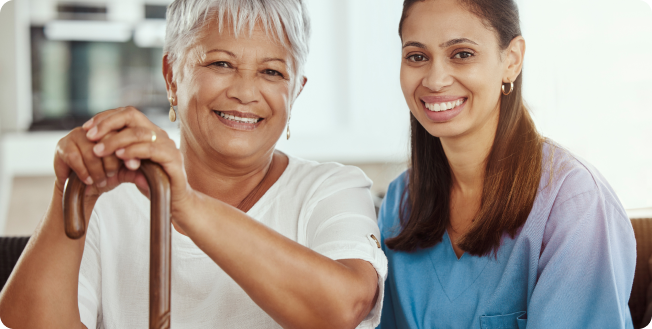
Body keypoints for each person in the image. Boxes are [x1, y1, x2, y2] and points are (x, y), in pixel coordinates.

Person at [0, 1, 387, 328]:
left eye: (271, 71)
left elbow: (344, 308)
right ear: (171, 76)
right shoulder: (109, 200)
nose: (244, 92)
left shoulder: (332, 189)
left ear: (296, 90)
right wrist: (70, 194)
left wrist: (186, 205)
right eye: (220, 64)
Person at [377, 0, 636, 328]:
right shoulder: (399, 203)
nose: (435, 79)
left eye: (462, 54)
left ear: (511, 61)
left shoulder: (575, 203)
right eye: (417, 56)